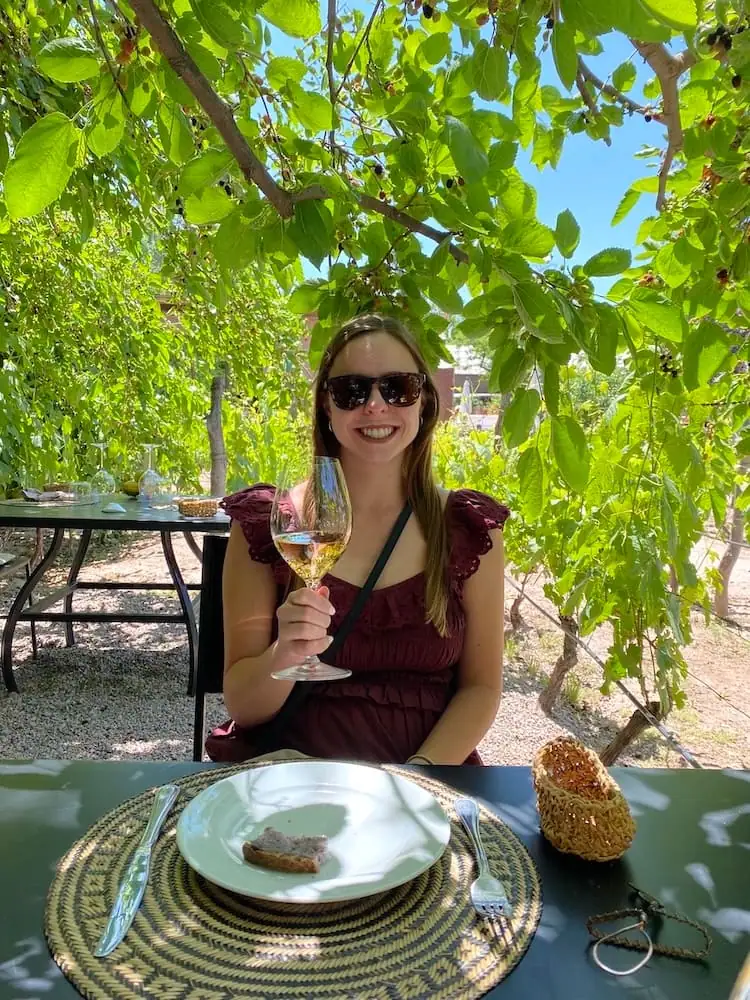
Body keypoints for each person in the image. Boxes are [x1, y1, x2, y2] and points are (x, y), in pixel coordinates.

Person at [218, 314, 509, 765]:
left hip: (424, 786)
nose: (375, 405)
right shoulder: (268, 525)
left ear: (424, 404)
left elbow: (482, 688)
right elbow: (243, 707)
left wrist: (415, 780)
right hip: (289, 782)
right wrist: (285, 654)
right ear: (325, 407)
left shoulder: (468, 530)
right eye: (352, 390)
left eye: (398, 388)